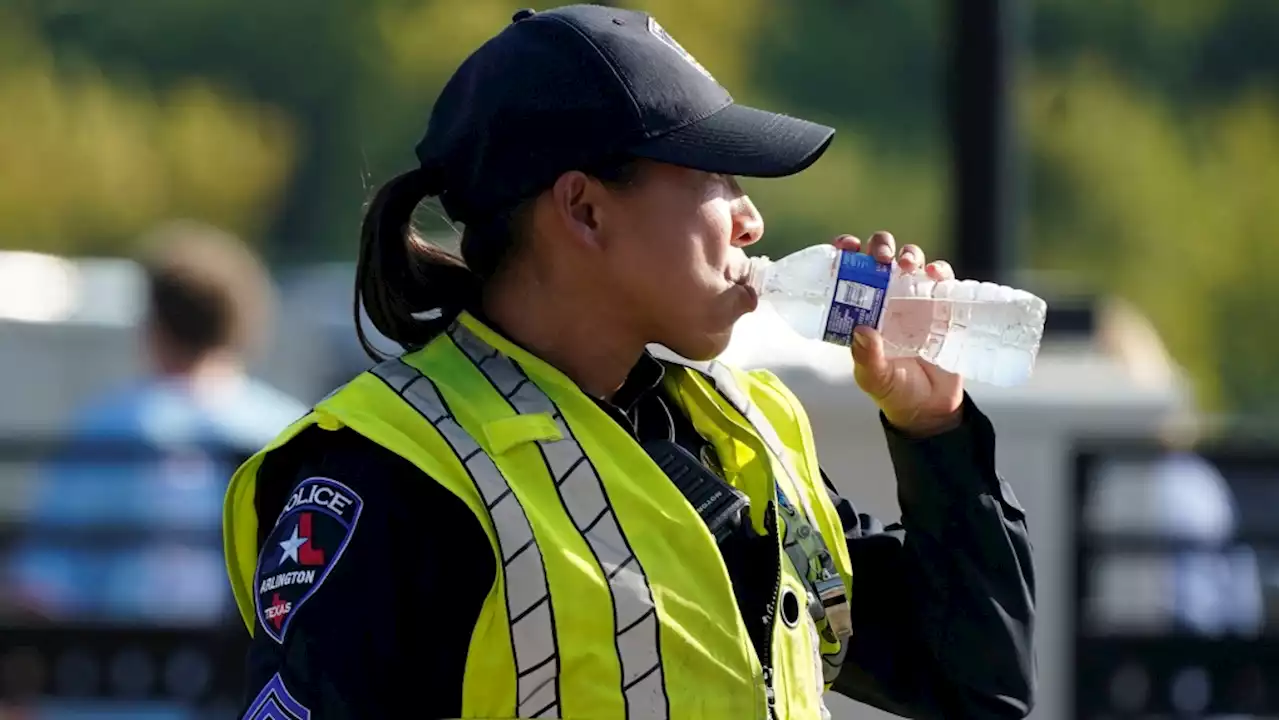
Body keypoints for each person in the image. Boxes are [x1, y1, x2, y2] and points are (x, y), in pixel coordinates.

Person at [223, 5, 1035, 719]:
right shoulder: (391, 477)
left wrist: (934, 430)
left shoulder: (739, 431)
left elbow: (978, 686)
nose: (751, 219)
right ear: (583, 208)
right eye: (716, 175)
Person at [8, 220, 307, 625]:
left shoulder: (107, 427)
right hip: (246, 679)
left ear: (154, 322)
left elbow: (41, 591)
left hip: (111, 674)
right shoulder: (287, 431)